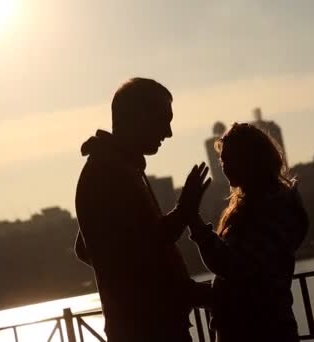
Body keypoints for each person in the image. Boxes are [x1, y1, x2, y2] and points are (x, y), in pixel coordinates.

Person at [74, 78, 211, 342]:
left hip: (144, 325)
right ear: (138, 117)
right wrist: (184, 210)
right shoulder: (109, 171)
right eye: (163, 119)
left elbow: (90, 248)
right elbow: (143, 247)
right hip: (149, 330)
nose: (168, 132)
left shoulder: (118, 167)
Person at [188, 123, 309, 342]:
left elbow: (234, 268)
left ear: (251, 161)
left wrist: (193, 220)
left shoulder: (271, 209)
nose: (224, 167)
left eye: (230, 160)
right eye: (222, 161)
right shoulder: (274, 205)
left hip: (258, 332)